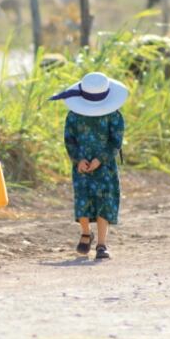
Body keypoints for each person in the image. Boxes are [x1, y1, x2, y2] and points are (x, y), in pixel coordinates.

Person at [50, 72, 128, 260]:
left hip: (106, 165)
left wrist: (100, 159)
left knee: (104, 202)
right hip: (81, 166)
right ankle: (86, 232)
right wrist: (78, 159)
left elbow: (115, 142)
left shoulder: (114, 115)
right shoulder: (74, 116)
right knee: (83, 200)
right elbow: (69, 140)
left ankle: (102, 244)